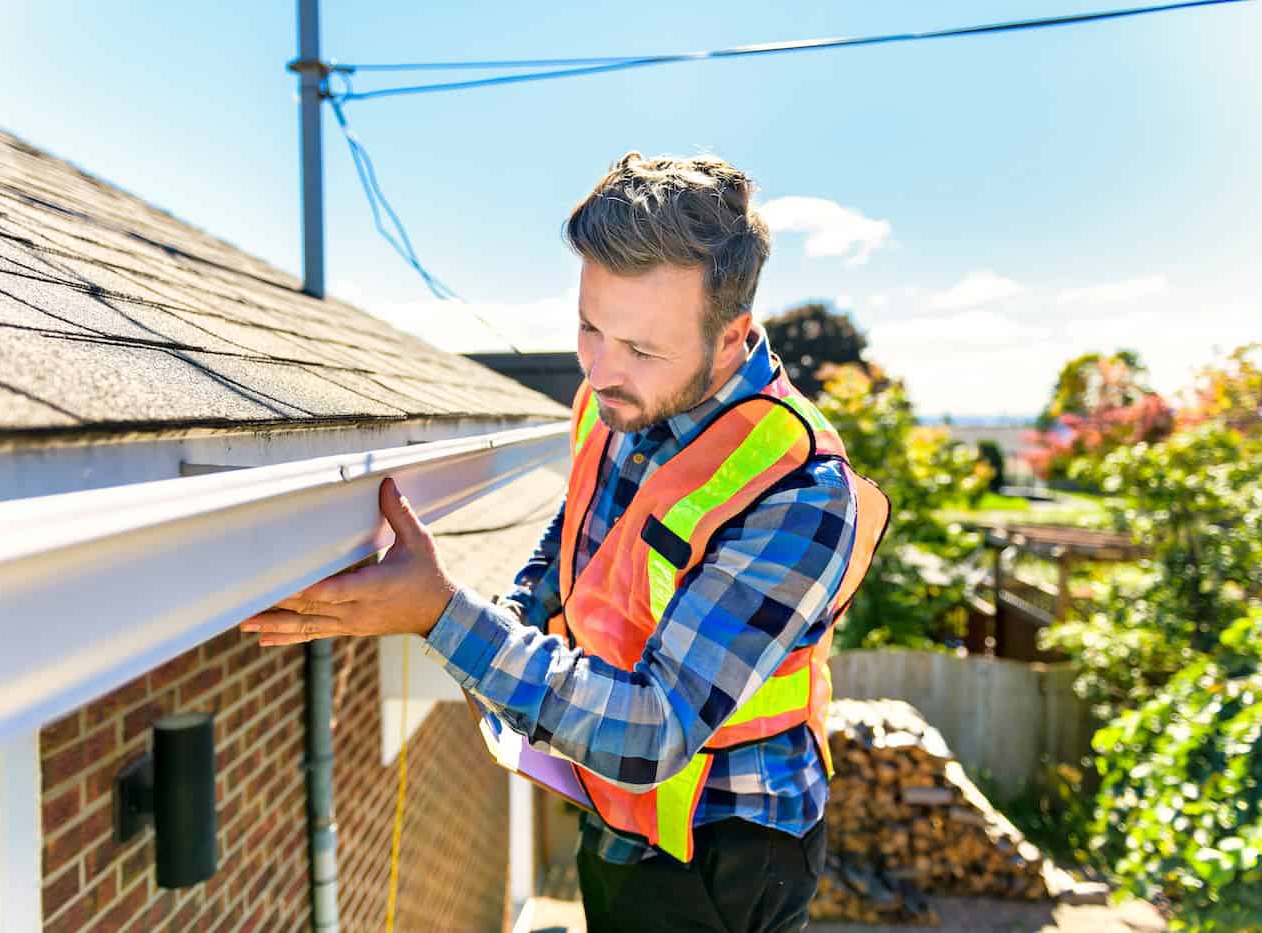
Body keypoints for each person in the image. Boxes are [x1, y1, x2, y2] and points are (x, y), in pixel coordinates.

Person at [241, 151, 888, 933]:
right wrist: (516, 608)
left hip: (723, 847)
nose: (603, 369)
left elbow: (653, 730)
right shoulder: (615, 397)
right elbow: (579, 526)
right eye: (589, 326)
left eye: (642, 348)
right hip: (614, 807)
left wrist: (441, 615)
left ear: (732, 338)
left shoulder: (800, 491)